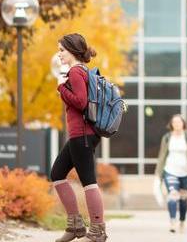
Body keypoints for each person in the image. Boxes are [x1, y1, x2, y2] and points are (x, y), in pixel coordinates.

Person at [49, 34, 108, 242]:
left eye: (62, 50)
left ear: (72, 51)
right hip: (80, 134)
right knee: (57, 173)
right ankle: (75, 226)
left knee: (89, 182)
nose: (59, 54)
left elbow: (81, 102)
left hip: (82, 135)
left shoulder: (75, 71)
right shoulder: (81, 71)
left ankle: (98, 231)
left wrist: (61, 87)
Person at [153, 114, 187, 233]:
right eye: (174, 122)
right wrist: (158, 173)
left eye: (179, 122)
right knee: (173, 195)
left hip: (186, 173)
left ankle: (182, 221)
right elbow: (162, 156)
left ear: (183, 124)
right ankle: (173, 222)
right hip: (170, 171)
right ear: (171, 124)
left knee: (183, 199)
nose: (177, 124)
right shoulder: (167, 137)